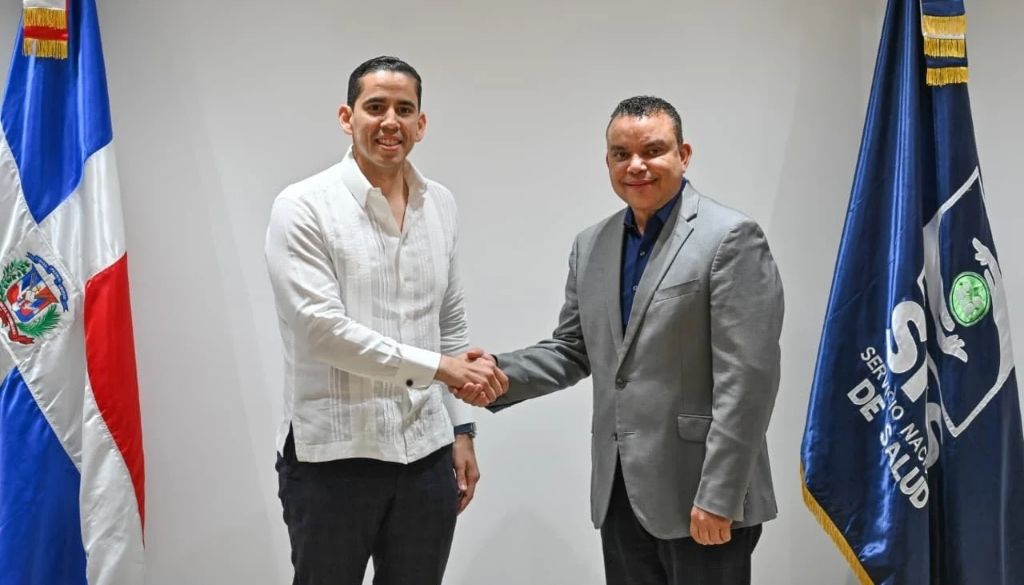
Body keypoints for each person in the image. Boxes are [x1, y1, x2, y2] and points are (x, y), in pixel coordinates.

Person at [464, 95, 784, 585]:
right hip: (620, 494)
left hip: (701, 495)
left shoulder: (731, 237)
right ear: (608, 161)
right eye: (621, 154)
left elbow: (748, 383)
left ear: (684, 154)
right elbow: (573, 349)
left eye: (653, 150)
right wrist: (496, 374)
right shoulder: (591, 245)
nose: (636, 165)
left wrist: (719, 496)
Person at [265, 55, 507, 585]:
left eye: (404, 109)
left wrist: (461, 431)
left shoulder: (440, 204)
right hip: (333, 458)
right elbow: (322, 332)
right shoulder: (303, 206)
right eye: (375, 107)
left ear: (421, 123)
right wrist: (441, 369)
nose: (390, 121)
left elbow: (450, 321)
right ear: (347, 117)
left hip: (427, 453)